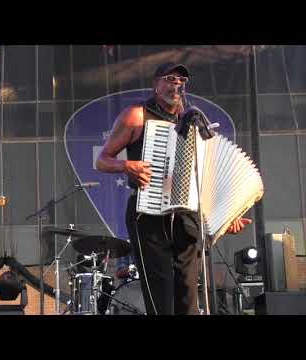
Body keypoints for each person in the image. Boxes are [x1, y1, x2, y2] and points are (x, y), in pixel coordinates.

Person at [96, 62, 252, 315]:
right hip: (147, 215)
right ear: (156, 84)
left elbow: (206, 177)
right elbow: (102, 160)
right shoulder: (137, 116)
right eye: (170, 79)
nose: (176, 84)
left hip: (187, 217)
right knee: (160, 292)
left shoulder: (195, 123)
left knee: (188, 293)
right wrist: (126, 165)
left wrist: (223, 218)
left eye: (181, 80)